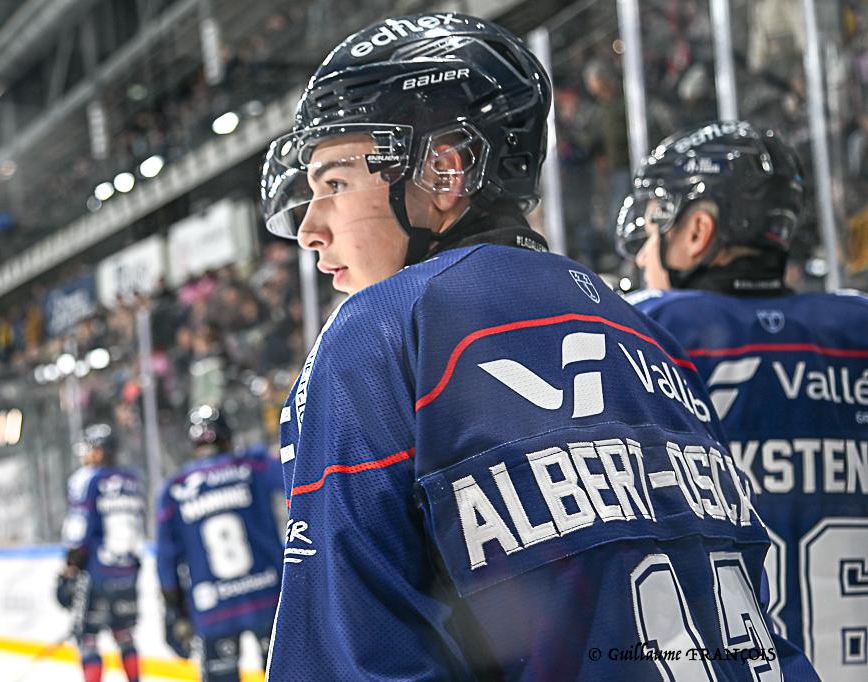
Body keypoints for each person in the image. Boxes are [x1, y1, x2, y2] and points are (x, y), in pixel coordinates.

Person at [259, 12, 817, 680]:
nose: (310, 229)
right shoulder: (647, 336)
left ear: (444, 170)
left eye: (334, 184)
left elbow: (350, 656)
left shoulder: (381, 330)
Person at [617, 119, 868, 681]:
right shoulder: (858, 326)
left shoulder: (650, 329)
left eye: (657, 223)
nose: (643, 255)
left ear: (698, 230)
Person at [155, 406, 283, 682]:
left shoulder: (175, 488)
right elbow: (300, 480)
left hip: (212, 606)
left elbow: (166, 558)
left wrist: (174, 609)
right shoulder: (254, 465)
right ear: (228, 435)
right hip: (269, 597)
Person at [58, 423, 145, 682]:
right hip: (127, 573)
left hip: (96, 574)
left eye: (88, 449)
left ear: (98, 451)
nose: (85, 455)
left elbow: (78, 530)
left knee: (87, 639)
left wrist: (70, 568)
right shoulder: (132, 479)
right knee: (125, 635)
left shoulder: (86, 478)